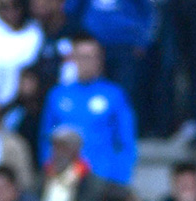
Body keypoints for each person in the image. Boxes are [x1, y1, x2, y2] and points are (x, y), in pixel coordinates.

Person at [40, 38, 136, 184]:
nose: (85, 62)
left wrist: (120, 177)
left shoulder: (114, 95)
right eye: (80, 57)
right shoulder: (58, 94)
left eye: (90, 57)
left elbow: (125, 140)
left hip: (102, 177)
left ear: (100, 60)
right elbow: (46, 136)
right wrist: (49, 168)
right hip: (64, 178)